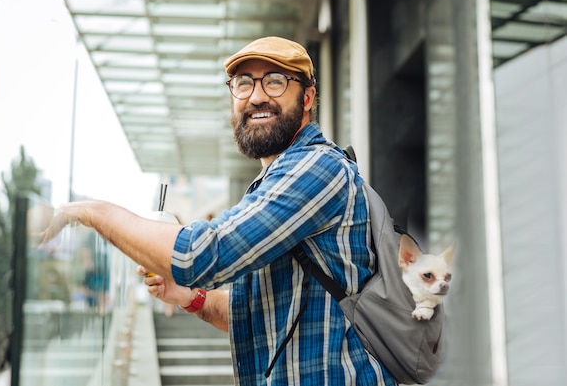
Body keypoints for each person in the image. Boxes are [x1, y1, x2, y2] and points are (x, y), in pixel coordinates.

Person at [42, 36, 395, 385]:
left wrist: (91, 211)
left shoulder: (317, 169)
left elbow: (201, 254)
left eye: (275, 81)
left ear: (307, 97)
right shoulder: (271, 182)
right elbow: (255, 318)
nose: (256, 96)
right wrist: (189, 297)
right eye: (243, 83)